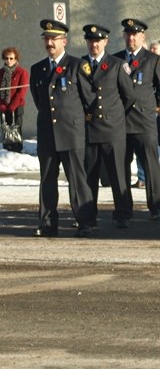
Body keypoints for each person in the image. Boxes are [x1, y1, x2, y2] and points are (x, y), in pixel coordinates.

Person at [29, 19, 95, 237]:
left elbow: (89, 99)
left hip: (71, 133)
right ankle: (47, 223)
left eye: (53, 39)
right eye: (46, 39)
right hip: (48, 134)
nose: (49, 43)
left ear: (64, 41)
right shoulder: (38, 69)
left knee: (77, 180)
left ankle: (84, 221)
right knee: (47, 181)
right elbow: (40, 101)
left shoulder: (76, 66)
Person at [114, 19, 160, 221]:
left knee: (150, 164)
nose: (131, 38)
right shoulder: (117, 59)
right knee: (121, 167)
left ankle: (156, 207)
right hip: (121, 121)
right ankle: (123, 210)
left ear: (142, 37)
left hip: (144, 121)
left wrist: (151, 106)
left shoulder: (153, 60)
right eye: (128, 34)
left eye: (135, 34)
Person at [82, 24, 136, 229]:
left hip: (112, 129)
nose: (94, 44)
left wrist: (115, 115)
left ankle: (122, 214)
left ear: (105, 42)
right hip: (89, 128)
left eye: (98, 41)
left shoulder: (116, 64)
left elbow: (129, 96)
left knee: (118, 174)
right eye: (90, 40)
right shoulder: (80, 64)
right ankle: (88, 216)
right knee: (89, 175)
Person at [1, 46, 29, 153]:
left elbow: (21, 91)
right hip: (3, 107)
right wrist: (3, 106)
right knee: (5, 129)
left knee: (16, 129)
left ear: (16, 59)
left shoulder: (22, 72)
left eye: (11, 58)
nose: (9, 60)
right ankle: (6, 150)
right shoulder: (1, 72)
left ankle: (17, 151)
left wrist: (12, 106)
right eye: (6, 58)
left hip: (17, 106)